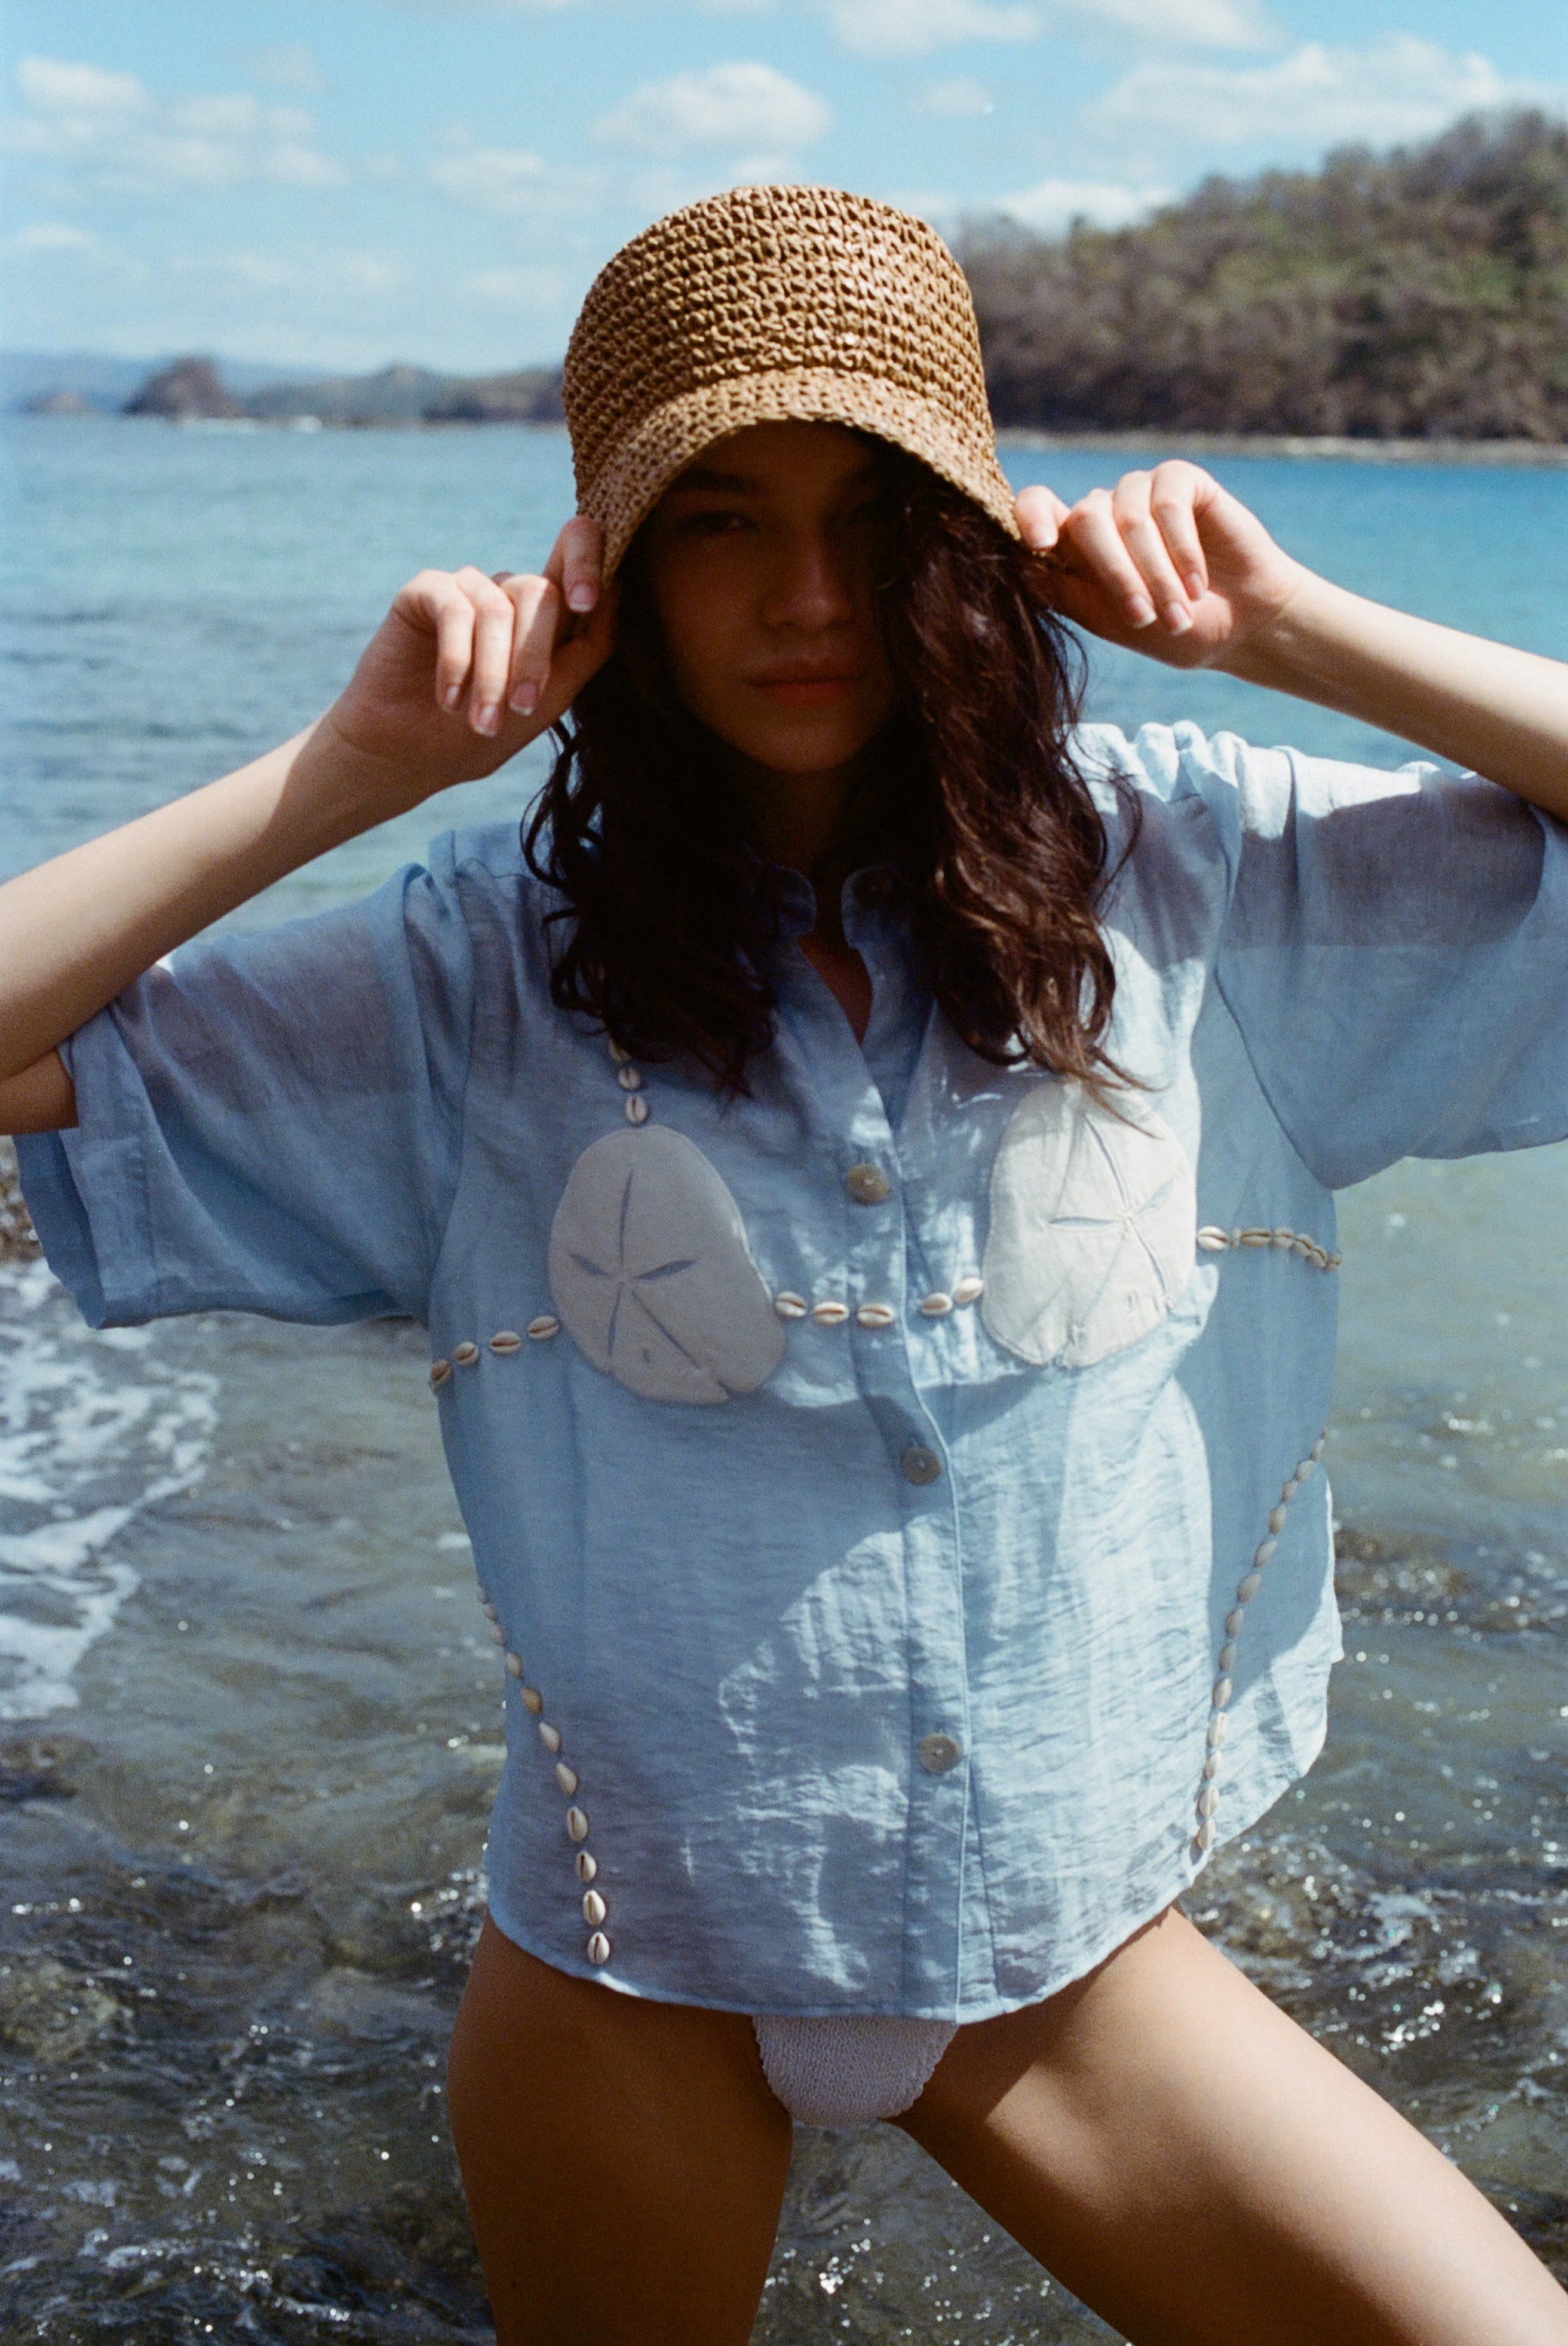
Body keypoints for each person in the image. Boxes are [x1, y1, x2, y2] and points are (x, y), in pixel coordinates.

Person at [2, 183, 1567, 2346]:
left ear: (971, 536)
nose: (808, 594)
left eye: (873, 513)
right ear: (609, 570)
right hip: (628, 1981)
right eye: (720, 518)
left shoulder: (1197, 891)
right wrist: (353, 772)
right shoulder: (482, 984)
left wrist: (1293, 629)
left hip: (1068, 1964)